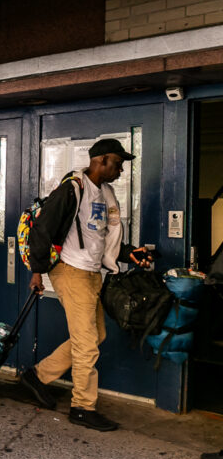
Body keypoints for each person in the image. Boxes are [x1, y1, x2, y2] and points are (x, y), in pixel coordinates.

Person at [21, 138, 154, 432]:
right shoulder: (73, 187)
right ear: (101, 160)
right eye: (117, 164)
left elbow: (102, 238)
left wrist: (129, 252)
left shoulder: (105, 193)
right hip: (71, 271)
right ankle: (82, 407)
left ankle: (37, 375)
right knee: (86, 344)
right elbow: (43, 230)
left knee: (96, 336)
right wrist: (37, 272)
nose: (120, 170)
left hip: (92, 273)